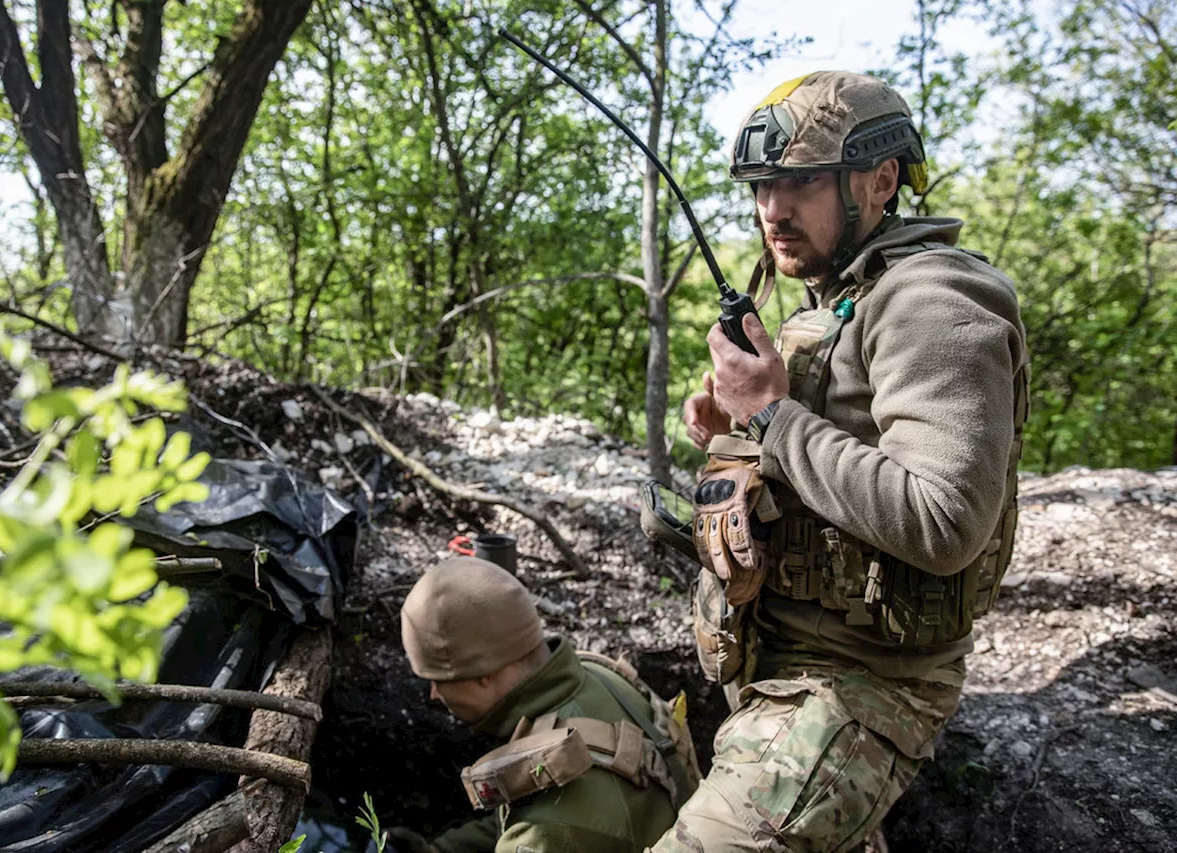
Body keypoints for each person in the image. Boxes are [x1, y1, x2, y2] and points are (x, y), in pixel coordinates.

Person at [654, 71, 1029, 851]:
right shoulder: (836, 295)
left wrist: (773, 415)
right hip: (778, 664)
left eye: (801, 183)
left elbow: (944, 519)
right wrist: (739, 425)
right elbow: (829, 443)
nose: (772, 210)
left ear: (881, 179)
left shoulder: (933, 299)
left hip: (860, 684)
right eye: (762, 186)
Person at [393, 556, 701, 853]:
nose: (433, 694)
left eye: (438, 680)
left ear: (483, 675)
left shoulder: (548, 824)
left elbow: (549, 825)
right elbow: (529, 818)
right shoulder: (599, 675)